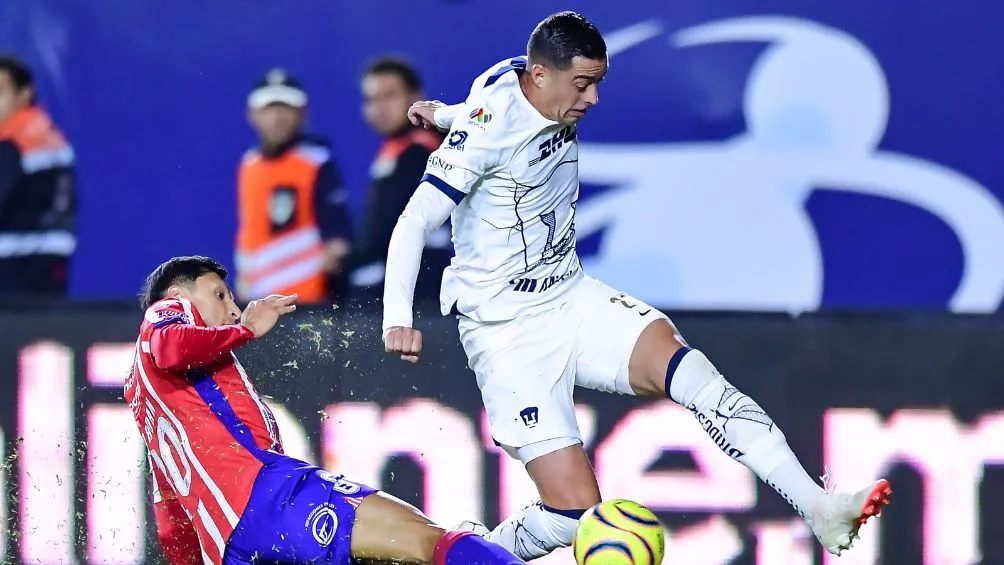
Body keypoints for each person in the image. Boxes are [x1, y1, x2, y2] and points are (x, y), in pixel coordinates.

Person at [381, 10, 891, 560]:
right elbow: (414, 221)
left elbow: (484, 108)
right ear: (542, 74)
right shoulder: (485, 134)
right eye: (582, 84)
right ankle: (466, 556)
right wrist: (397, 319)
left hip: (570, 296)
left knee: (692, 373)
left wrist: (447, 114)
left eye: (598, 82)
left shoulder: (509, 77)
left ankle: (819, 508)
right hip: (505, 332)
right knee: (572, 515)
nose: (593, 98)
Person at [125, 255, 525, 565]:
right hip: (268, 497)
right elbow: (169, 346)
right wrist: (246, 329)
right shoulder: (164, 317)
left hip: (230, 548)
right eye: (219, 295)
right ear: (178, 295)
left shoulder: (147, 398)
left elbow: (171, 520)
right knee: (429, 541)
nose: (232, 309)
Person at [236, 68, 352, 305]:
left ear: (302, 113)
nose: (277, 117)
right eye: (269, 108)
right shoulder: (249, 165)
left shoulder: (316, 161)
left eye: (286, 108)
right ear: (252, 115)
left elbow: (338, 241)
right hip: (257, 304)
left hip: (306, 304)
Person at [350, 57, 451, 303]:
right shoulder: (397, 148)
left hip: (421, 297)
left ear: (416, 97)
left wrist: (344, 259)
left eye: (389, 96)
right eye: (371, 99)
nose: (380, 108)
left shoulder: (421, 151)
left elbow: (387, 230)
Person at [0, 55, 76, 296]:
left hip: (11, 270)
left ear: (25, 93)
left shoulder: (12, 142)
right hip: (51, 266)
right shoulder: (49, 137)